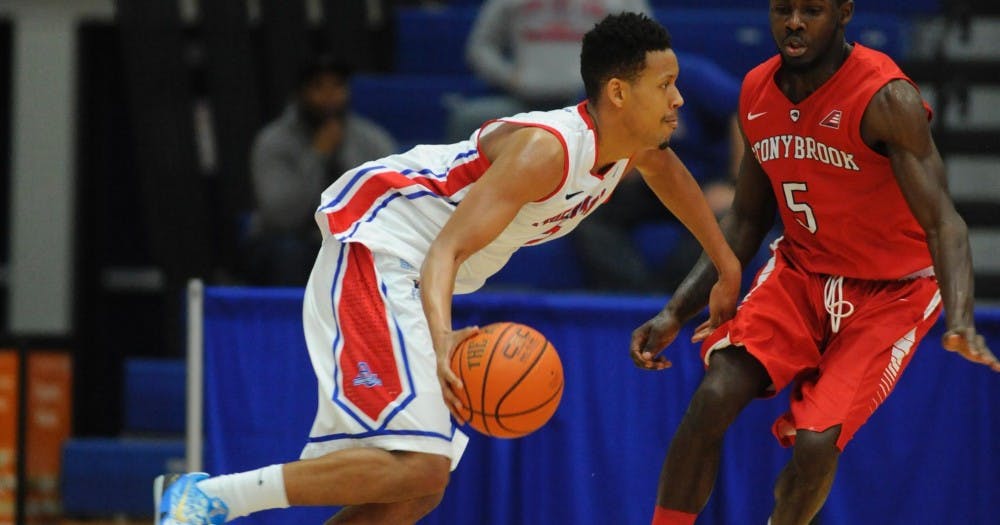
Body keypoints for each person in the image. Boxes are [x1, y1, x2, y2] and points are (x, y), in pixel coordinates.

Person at [158, 13, 742, 525]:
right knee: (420, 462)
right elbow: (446, 252)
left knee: (421, 487)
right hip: (379, 249)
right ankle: (208, 497)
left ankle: (215, 498)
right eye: (665, 85)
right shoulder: (549, 151)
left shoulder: (624, 146)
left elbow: (672, 177)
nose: (678, 100)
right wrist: (441, 340)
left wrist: (725, 264)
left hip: (412, 274)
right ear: (618, 92)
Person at [630, 1, 1000, 524]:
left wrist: (961, 318)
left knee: (815, 445)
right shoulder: (757, 91)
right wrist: (676, 310)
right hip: (803, 272)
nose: (795, 22)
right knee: (712, 397)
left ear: (844, 13)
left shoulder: (886, 97)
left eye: (813, 10)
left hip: (892, 292)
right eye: (783, 9)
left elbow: (946, 223)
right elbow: (744, 221)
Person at [574, 52, 744, 293]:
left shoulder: (691, 74)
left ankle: (675, 297)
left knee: (728, 218)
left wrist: (734, 185)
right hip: (635, 183)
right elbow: (586, 132)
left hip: (696, 184)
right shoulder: (605, 84)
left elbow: (741, 110)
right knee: (586, 213)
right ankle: (635, 297)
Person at [244, 56, 397, 286]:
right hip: (293, 239)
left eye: (337, 86)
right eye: (318, 87)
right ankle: (289, 320)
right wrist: (318, 155)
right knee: (288, 252)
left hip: (354, 237)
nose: (329, 97)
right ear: (300, 93)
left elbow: (392, 203)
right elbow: (281, 216)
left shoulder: (372, 140)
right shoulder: (272, 142)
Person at [446, 0, 652, 142]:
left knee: (628, 125)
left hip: (591, 103)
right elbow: (481, 46)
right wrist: (510, 77)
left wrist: (604, 80)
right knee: (468, 119)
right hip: (522, 102)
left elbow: (643, 43)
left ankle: (593, 203)